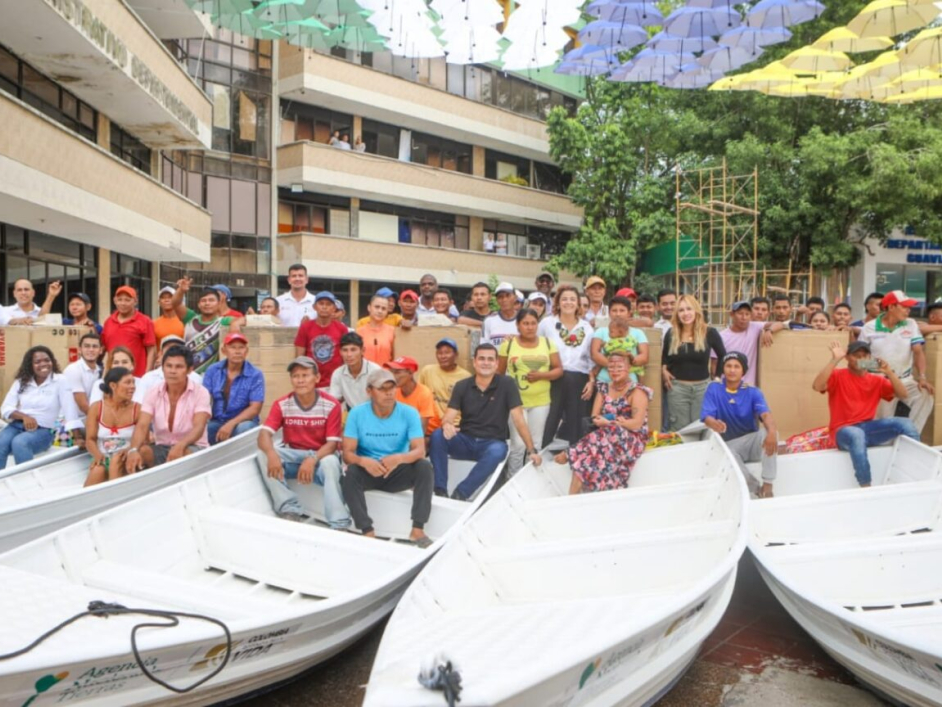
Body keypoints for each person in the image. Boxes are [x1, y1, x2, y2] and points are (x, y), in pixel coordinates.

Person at [431, 344, 541, 499]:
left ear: (496, 363)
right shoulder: (462, 386)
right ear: (474, 362)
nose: (486, 362)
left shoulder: (507, 384)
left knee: (499, 450)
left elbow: (518, 419)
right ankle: (440, 489)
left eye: (490, 359)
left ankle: (461, 493)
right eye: (481, 358)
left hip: (491, 443)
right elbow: (449, 415)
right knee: (437, 435)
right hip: (466, 440)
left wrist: (532, 450)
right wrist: (447, 424)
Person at [341, 369, 434, 546]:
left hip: (397, 470)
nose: (389, 393)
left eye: (392, 388)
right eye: (382, 389)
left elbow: (419, 450)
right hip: (369, 470)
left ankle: (418, 529)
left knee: (424, 467)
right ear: (369, 391)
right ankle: (367, 530)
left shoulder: (409, 412)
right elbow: (347, 453)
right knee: (349, 473)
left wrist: (399, 458)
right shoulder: (357, 414)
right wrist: (363, 461)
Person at [812, 340, 919, 487]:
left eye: (865, 356)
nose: (861, 359)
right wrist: (834, 359)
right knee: (856, 434)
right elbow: (817, 386)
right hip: (842, 432)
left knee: (905, 423)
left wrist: (889, 372)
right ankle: (866, 486)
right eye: (856, 355)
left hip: (867, 429)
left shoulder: (877, 380)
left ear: (869, 359)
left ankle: (918, 470)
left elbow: (903, 395)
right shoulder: (837, 375)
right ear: (847, 358)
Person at [258, 356, 348, 528]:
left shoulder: (331, 404)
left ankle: (339, 522)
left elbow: (331, 445)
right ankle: (289, 508)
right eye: (296, 376)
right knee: (263, 453)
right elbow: (264, 434)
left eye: (305, 375)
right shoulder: (282, 403)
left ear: (317, 378)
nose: (300, 380)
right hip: (294, 455)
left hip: (321, 456)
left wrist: (313, 459)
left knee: (330, 462)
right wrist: (271, 454)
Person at [561, 344, 652, 494]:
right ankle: (572, 496)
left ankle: (570, 453)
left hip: (632, 437)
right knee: (587, 456)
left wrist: (609, 422)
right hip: (604, 437)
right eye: (611, 367)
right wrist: (602, 421)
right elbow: (594, 417)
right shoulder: (604, 389)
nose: (614, 371)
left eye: (619, 367)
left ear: (628, 368)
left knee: (611, 430)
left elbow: (637, 423)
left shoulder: (637, 391)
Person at [701, 352, 778, 498]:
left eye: (737, 366)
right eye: (728, 366)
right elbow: (706, 416)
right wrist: (714, 423)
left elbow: (766, 414)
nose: (732, 370)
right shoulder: (714, 388)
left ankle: (768, 486)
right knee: (728, 452)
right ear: (723, 369)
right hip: (728, 446)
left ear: (743, 371)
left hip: (749, 442)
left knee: (769, 433)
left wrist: (772, 432)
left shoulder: (753, 392)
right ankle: (755, 488)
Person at [858, 290, 935, 434]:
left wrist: (922, 377)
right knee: (882, 421)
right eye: (904, 306)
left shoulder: (910, 324)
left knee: (925, 394)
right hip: (880, 381)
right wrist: (880, 369)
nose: (908, 310)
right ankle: (883, 445)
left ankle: (911, 435)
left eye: (909, 307)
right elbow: (859, 361)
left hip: (905, 379)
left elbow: (918, 352)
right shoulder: (869, 327)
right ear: (891, 307)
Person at [125, 346, 211, 472]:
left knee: (183, 454)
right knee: (140, 452)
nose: (172, 371)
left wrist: (181, 445)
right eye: (168, 366)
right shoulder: (153, 392)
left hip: (193, 447)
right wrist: (133, 450)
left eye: (179, 367)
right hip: (163, 446)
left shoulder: (201, 392)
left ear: (189, 370)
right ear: (162, 368)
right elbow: (142, 425)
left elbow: (199, 426)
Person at [498, 310, 563, 475]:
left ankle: (529, 478)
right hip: (515, 404)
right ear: (518, 325)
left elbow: (558, 370)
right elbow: (499, 373)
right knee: (518, 445)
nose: (530, 327)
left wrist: (542, 375)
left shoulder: (548, 343)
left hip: (541, 401)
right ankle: (512, 479)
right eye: (525, 323)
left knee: (536, 443)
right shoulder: (508, 345)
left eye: (533, 323)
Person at [0, 346, 82, 468]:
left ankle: (26, 482)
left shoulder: (60, 380)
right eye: (37, 362)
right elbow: (5, 408)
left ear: (52, 361)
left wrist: (77, 437)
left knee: (20, 442)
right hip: (16, 425)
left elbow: (70, 409)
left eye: (47, 360)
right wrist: (25, 417)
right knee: (1, 443)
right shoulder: (22, 381)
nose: (43, 364)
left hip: (43, 431)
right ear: (30, 365)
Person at [539, 285, 595, 448]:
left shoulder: (586, 328)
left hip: (579, 378)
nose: (568, 302)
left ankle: (575, 458)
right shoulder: (547, 324)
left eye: (572, 299)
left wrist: (591, 382)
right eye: (564, 299)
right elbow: (537, 347)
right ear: (557, 302)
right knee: (549, 418)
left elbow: (591, 359)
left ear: (578, 303)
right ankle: (540, 454)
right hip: (554, 377)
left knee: (577, 423)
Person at [662, 294, 726, 432]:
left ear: (696, 310)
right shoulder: (671, 334)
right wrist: (663, 369)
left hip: (702, 389)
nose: (686, 314)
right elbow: (665, 358)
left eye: (689, 309)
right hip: (677, 389)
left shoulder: (709, 332)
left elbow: (723, 356)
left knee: (702, 428)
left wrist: (717, 378)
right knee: (679, 430)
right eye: (681, 310)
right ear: (677, 314)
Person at [202, 333, 264, 445]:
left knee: (246, 428)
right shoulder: (213, 370)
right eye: (233, 347)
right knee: (204, 430)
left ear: (246, 351)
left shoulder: (255, 374)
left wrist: (231, 424)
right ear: (224, 350)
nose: (237, 351)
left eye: (241, 347)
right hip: (218, 421)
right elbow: (203, 399)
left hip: (243, 422)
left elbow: (255, 408)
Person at [171, 278, 242, 376]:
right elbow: (175, 304)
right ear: (199, 305)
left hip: (212, 376)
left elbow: (245, 319)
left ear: (218, 303)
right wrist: (181, 290)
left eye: (211, 300)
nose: (207, 303)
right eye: (203, 300)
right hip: (189, 375)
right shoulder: (190, 318)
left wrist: (235, 324)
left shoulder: (223, 321)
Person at [83, 367, 140, 486]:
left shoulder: (138, 409)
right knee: (98, 470)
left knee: (116, 461)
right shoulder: (96, 408)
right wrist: (98, 455)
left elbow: (143, 440)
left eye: (133, 382)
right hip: (103, 456)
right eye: (127, 382)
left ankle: (116, 496)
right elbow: (90, 440)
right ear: (113, 386)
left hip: (127, 457)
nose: (133, 387)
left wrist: (129, 450)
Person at [712, 301, 782, 387]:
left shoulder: (755, 327)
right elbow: (714, 364)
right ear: (732, 314)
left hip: (748, 387)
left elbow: (779, 323)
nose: (744, 317)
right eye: (740, 313)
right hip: (726, 387)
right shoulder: (721, 337)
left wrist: (770, 330)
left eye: (747, 314)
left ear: (751, 316)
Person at [590, 295, 648, 385]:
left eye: (622, 310)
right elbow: (594, 354)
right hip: (604, 380)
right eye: (614, 310)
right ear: (609, 313)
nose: (618, 314)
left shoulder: (638, 333)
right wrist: (614, 367)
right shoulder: (601, 331)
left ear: (629, 313)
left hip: (629, 380)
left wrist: (625, 366)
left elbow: (644, 357)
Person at [101, 285, 156, 377]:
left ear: (135, 301)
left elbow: (151, 350)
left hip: (137, 376)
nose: (123, 303)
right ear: (115, 301)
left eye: (127, 300)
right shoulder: (108, 322)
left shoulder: (145, 321)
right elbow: (104, 349)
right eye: (120, 299)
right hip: (113, 376)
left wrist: (147, 374)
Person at [295, 291, 347, 386]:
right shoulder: (305, 327)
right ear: (314, 307)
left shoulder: (341, 328)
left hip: (335, 382)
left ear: (334, 308)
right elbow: (299, 358)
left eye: (328, 304)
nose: (324, 307)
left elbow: (346, 356)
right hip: (311, 382)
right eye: (321, 303)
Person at [418, 338, 471, 425]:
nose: (443, 356)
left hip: (454, 423)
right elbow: (419, 395)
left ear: (456, 355)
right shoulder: (427, 371)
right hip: (430, 422)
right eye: (440, 353)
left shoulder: (465, 376)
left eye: (447, 352)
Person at [386, 357, 440, 436]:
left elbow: (422, 430)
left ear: (410, 373)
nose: (393, 376)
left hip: (429, 435)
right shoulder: (394, 392)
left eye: (397, 372)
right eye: (391, 372)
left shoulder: (424, 393)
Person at [137, 335, 202, 399]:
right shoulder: (149, 378)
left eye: (177, 348)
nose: (173, 352)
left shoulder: (196, 378)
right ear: (161, 353)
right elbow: (138, 404)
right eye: (169, 349)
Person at [329, 332, 380, 411]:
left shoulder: (375, 371)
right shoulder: (338, 373)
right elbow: (333, 400)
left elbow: (381, 400)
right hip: (352, 414)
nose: (349, 354)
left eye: (353, 350)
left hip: (374, 414)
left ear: (362, 350)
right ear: (340, 352)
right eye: (345, 350)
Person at [62, 332, 103, 419]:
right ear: (80, 350)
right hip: (69, 421)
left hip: (87, 417)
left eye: (95, 346)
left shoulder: (100, 371)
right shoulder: (73, 370)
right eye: (87, 346)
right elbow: (83, 406)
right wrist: (101, 421)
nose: (91, 349)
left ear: (100, 350)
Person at [356, 294, 396, 366]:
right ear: (369, 308)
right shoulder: (359, 332)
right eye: (377, 307)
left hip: (385, 375)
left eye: (383, 308)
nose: (380, 311)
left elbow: (396, 356)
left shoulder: (392, 331)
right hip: (365, 374)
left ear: (387, 311)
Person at [481, 282, 519, 347]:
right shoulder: (489, 321)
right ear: (497, 300)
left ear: (515, 297)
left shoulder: (524, 318)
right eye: (500, 297)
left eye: (508, 295)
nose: (504, 299)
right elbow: (484, 346)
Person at [153, 285, 185, 351]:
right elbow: (152, 348)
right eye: (163, 298)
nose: (166, 300)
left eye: (170, 297)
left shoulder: (183, 321)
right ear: (159, 302)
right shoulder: (153, 323)